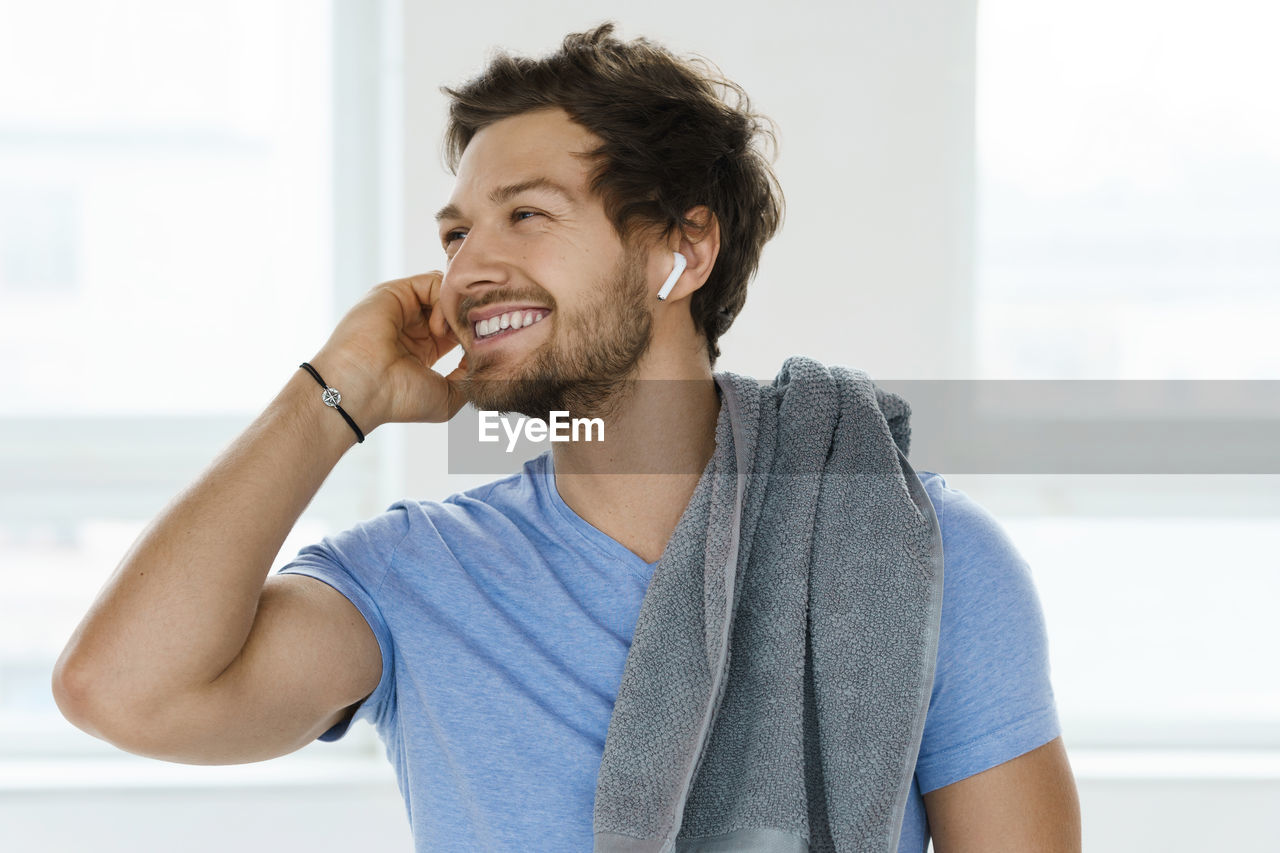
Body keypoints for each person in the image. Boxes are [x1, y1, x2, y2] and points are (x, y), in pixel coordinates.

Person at [52, 22, 1081, 852]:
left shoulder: (917, 552)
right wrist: (337, 393)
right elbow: (121, 693)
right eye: (455, 234)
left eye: (525, 215)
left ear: (679, 251)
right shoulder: (416, 579)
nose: (467, 268)